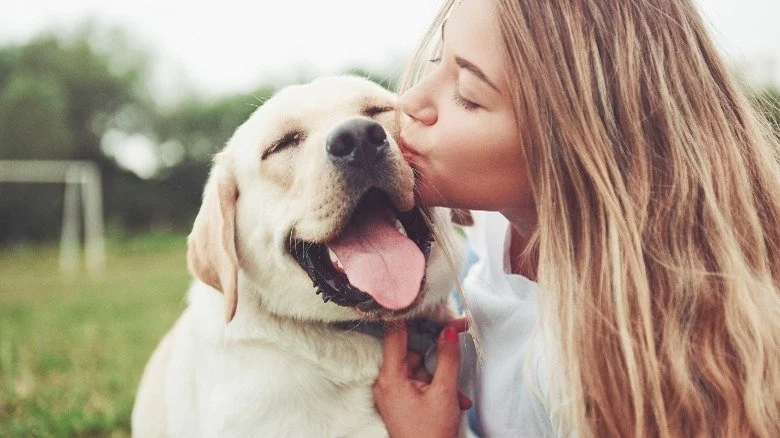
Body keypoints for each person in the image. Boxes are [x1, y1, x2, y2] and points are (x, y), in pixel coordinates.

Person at [371, 0, 780, 436]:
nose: (411, 100)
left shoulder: (595, 376)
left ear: (570, 147)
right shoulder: (503, 218)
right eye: (439, 57)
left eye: (468, 95)